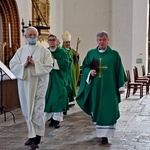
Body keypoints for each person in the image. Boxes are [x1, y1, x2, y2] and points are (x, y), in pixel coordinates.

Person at [76, 31, 127, 145]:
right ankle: (101, 133)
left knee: (109, 109)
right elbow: (84, 67)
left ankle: (106, 135)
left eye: (104, 39)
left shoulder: (114, 55)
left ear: (108, 40)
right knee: (98, 109)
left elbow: (119, 70)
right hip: (96, 89)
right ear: (97, 41)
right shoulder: (91, 53)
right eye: (100, 40)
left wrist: (121, 86)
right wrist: (90, 72)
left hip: (110, 88)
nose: (102, 42)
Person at [9, 27, 53, 149]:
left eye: (34, 35)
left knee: (37, 110)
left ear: (37, 36)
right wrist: (23, 65)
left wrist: (35, 64)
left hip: (39, 84)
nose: (32, 37)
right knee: (27, 110)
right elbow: (12, 65)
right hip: (25, 84)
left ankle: (37, 137)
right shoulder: (21, 51)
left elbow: (49, 66)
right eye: (30, 35)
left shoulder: (44, 51)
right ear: (26, 36)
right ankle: (31, 135)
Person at [44, 34, 70, 128]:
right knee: (48, 97)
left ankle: (56, 120)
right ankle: (49, 117)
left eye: (53, 40)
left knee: (58, 97)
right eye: (50, 40)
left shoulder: (62, 52)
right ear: (48, 41)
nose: (52, 42)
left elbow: (66, 63)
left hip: (58, 77)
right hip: (47, 78)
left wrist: (54, 61)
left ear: (57, 41)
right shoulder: (45, 51)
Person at [62, 31, 80, 108]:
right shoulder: (61, 50)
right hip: (65, 71)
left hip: (72, 71)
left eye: (69, 42)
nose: (68, 44)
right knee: (66, 85)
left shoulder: (72, 50)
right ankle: (66, 100)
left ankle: (71, 100)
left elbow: (76, 61)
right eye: (66, 42)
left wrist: (77, 56)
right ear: (63, 43)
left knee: (72, 85)